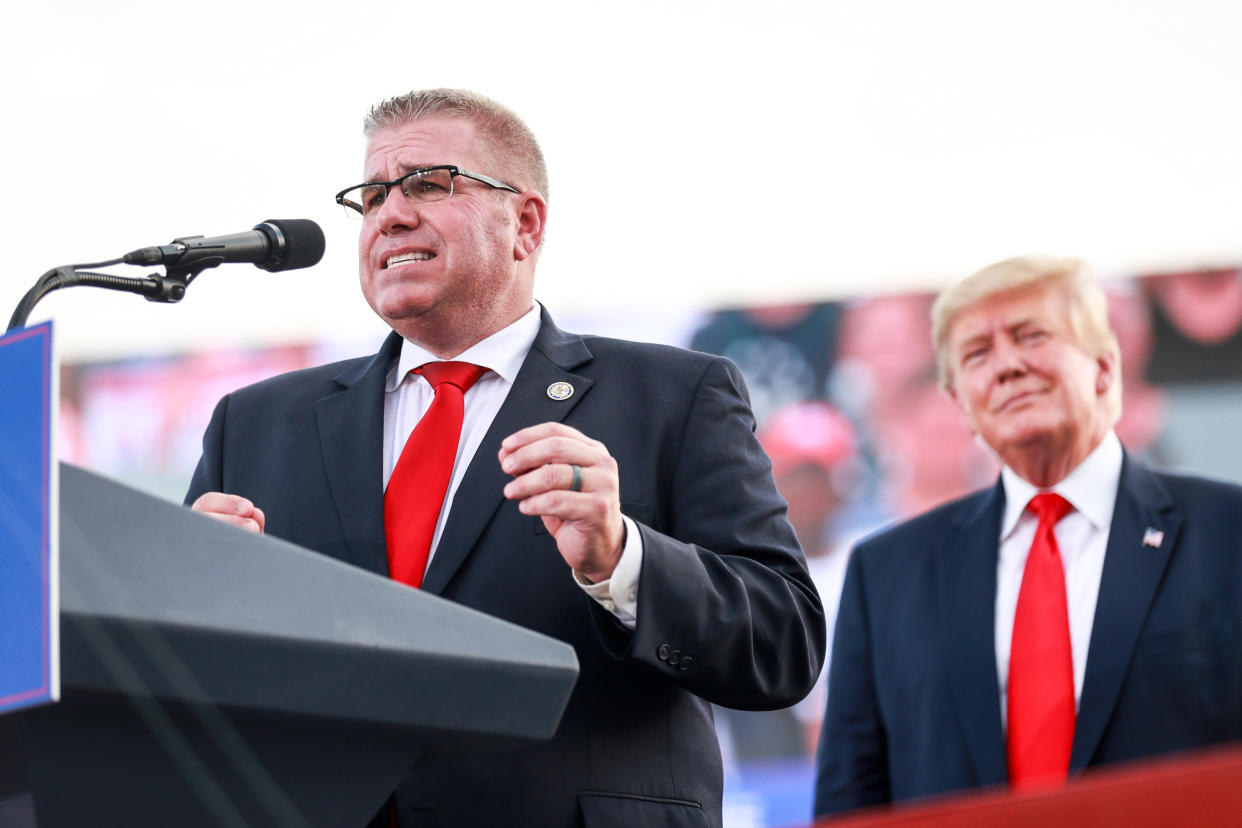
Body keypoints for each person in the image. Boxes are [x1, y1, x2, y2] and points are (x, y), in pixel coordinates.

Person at [185, 88, 825, 828]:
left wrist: (619, 557)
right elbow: (177, 693)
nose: (389, 214)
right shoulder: (256, 424)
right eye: (370, 197)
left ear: (525, 222)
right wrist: (191, 601)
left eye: (428, 183)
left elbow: (784, 644)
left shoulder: (674, 396)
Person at [813, 255, 1242, 817]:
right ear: (962, 404)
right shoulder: (886, 574)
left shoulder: (1226, 533)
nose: (1007, 366)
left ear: (1105, 368)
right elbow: (851, 801)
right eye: (976, 354)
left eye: (1030, 336)